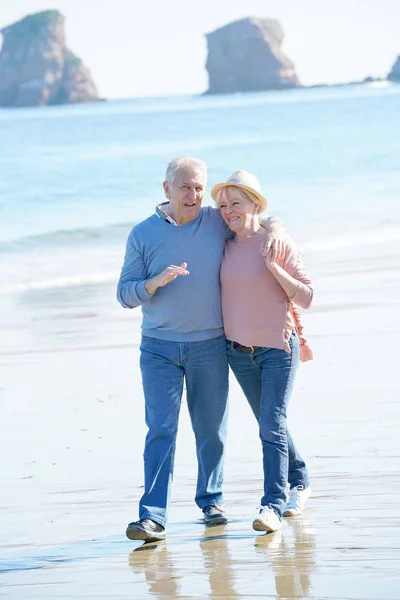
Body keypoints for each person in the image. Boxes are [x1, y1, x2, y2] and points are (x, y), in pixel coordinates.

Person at [117, 157, 284, 542]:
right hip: (158, 348)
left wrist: (279, 227)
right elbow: (124, 295)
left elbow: (256, 218)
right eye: (184, 187)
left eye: (197, 187)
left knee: (211, 430)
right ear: (166, 189)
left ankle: (211, 500)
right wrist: (154, 283)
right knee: (161, 429)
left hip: (209, 345)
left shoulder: (215, 221)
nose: (192, 195)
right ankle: (152, 516)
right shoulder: (142, 234)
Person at [211, 170, 314, 533]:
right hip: (238, 353)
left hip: (277, 348)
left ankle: (271, 504)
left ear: (255, 204)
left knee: (271, 425)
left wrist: (274, 266)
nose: (227, 211)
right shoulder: (221, 241)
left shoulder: (278, 243)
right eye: (222, 205)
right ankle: (300, 482)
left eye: (236, 203)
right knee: (272, 425)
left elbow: (308, 296)